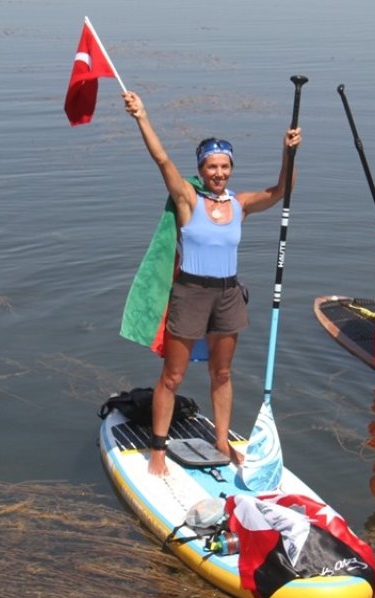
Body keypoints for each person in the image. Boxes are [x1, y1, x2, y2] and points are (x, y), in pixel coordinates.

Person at [123, 90, 301, 476]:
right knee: (172, 376)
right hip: (190, 294)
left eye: (224, 167)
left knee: (222, 373)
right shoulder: (188, 199)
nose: (218, 174)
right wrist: (142, 117)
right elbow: (161, 159)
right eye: (211, 167)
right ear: (201, 169)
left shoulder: (240, 204)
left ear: (231, 168)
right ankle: (158, 447)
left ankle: (222, 441)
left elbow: (280, 190)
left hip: (228, 295)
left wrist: (289, 154)